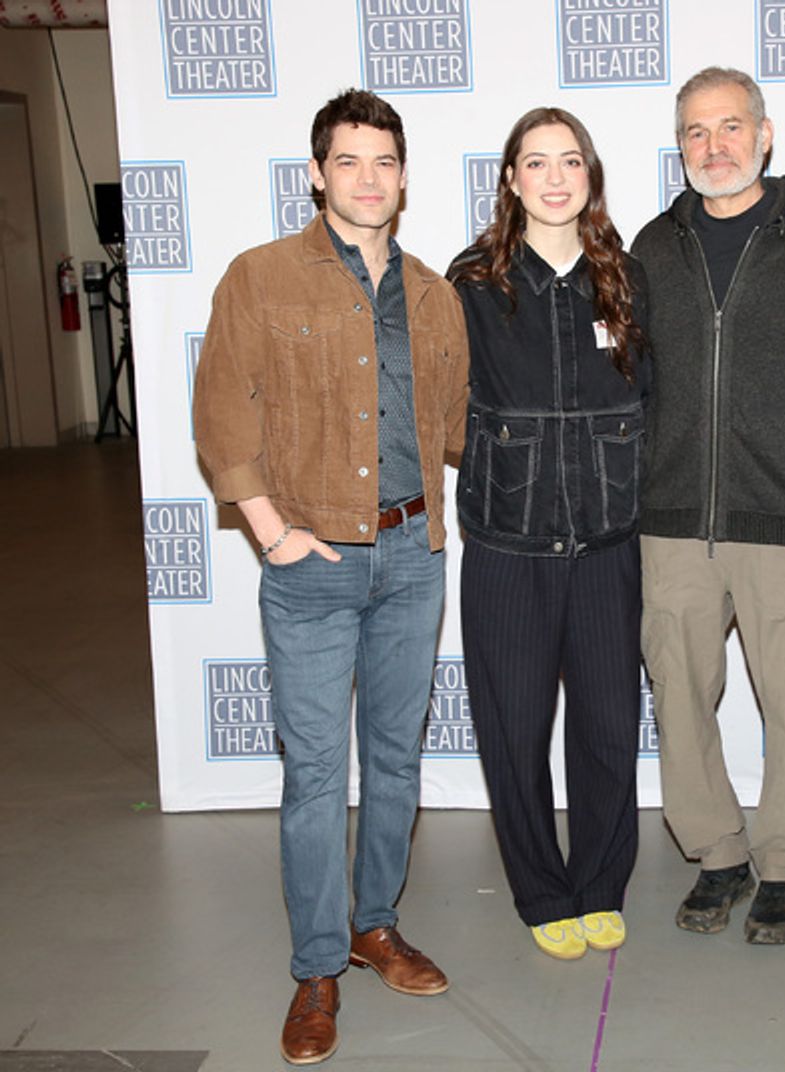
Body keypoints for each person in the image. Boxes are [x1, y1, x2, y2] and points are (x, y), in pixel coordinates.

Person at [193, 89, 470, 1065]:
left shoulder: (436, 294)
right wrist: (270, 532)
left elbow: (462, 428)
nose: (367, 178)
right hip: (309, 562)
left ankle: (375, 924)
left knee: (394, 761)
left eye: (383, 161)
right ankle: (317, 968)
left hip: (410, 557)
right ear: (316, 174)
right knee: (315, 775)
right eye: (347, 161)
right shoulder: (260, 278)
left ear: (403, 175)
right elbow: (223, 414)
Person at [630, 67, 785, 944]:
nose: (712, 147)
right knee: (679, 690)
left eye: (729, 127)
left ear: (765, 133)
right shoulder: (649, 246)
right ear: (678, 144)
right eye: (694, 132)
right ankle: (717, 853)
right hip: (674, 515)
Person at [447, 108, 649, 961]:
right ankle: (540, 890)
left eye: (572, 161)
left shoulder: (629, 280)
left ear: (590, 175)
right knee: (514, 730)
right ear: (511, 180)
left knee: (607, 727)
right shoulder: (472, 283)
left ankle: (600, 884)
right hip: (508, 546)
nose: (556, 178)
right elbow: (439, 402)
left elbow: (661, 401)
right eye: (538, 162)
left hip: (608, 544)